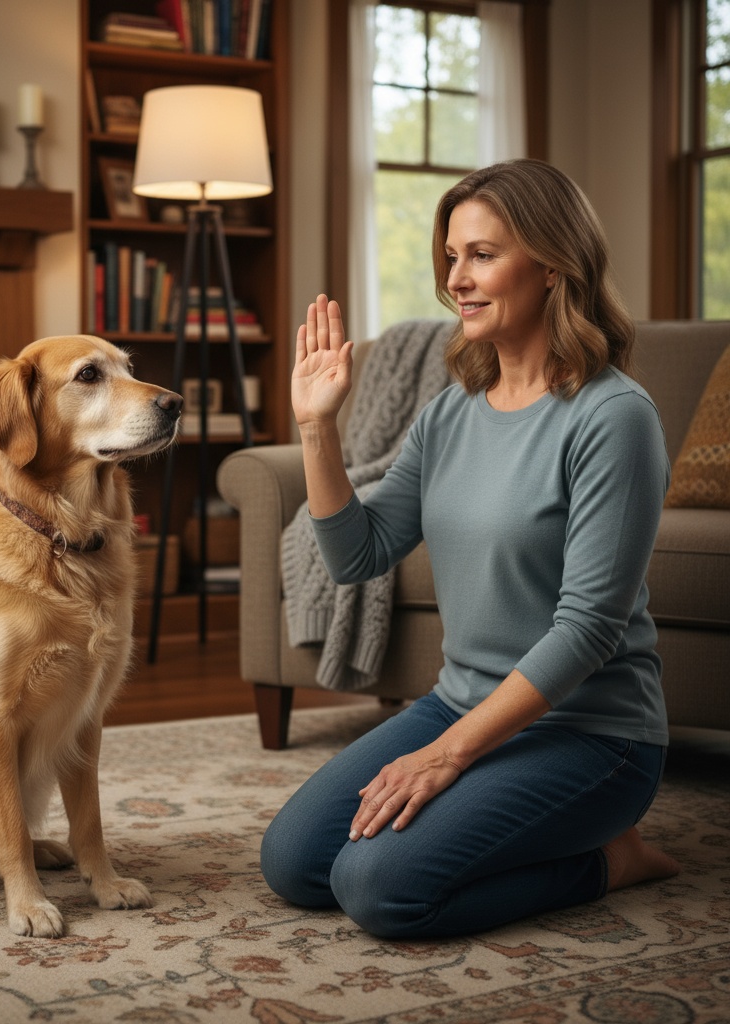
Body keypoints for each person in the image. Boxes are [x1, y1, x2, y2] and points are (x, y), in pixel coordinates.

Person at [260, 158, 681, 939]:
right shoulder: (449, 412)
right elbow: (358, 556)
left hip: (593, 734)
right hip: (461, 704)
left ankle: (611, 859)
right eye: (452, 256)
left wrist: (448, 757)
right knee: (293, 862)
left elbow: (587, 628)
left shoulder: (613, 417)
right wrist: (319, 427)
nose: (458, 278)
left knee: (376, 888)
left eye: (483, 254)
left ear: (553, 266)